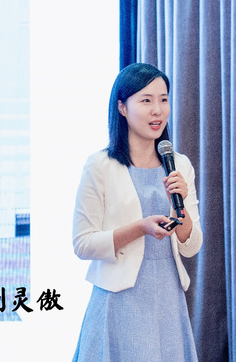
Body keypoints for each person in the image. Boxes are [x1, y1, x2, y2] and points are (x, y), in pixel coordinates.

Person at [71, 63, 203, 361]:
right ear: (122, 107)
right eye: (146, 100)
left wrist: (180, 205)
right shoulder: (100, 166)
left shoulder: (179, 165)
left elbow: (192, 245)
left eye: (164, 99)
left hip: (168, 298)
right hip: (119, 301)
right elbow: (82, 244)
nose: (158, 110)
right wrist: (140, 228)